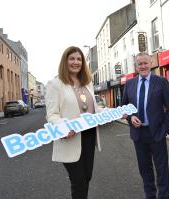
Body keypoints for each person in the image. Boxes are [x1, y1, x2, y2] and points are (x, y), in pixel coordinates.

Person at [45, 46, 101, 199]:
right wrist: (63, 127)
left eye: (79, 59)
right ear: (65, 61)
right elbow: (52, 115)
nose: (76, 62)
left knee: (86, 178)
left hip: (89, 137)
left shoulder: (87, 83)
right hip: (70, 138)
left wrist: (116, 113)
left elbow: (95, 109)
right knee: (79, 181)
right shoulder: (55, 84)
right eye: (72, 59)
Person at [122, 52, 169, 199]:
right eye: (140, 64)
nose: (143, 66)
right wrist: (131, 117)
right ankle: (150, 196)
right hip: (138, 134)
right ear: (136, 66)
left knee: (162, 170)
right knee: (145, 170)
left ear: (151, 63)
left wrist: (164, 130)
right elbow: (124, 107)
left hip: (157, 133)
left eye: (146, 63)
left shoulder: (161, 82)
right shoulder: (130, 83)